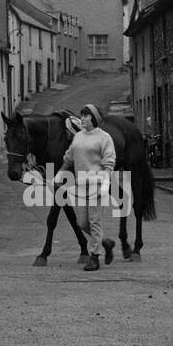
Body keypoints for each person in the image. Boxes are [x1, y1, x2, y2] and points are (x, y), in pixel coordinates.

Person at [56, 103, 116, 271]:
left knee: (94, 221)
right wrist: (60, 173)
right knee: (82, 223)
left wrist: (105, 183)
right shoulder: (78, 136)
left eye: (85, 115)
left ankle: (94, 257)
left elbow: (109, 163)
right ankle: (106, 242)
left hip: (97, 184)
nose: (82, 118)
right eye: (81, 115)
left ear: (94, 118)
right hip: (81, 186)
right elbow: (69, 157)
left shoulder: (104, 138)